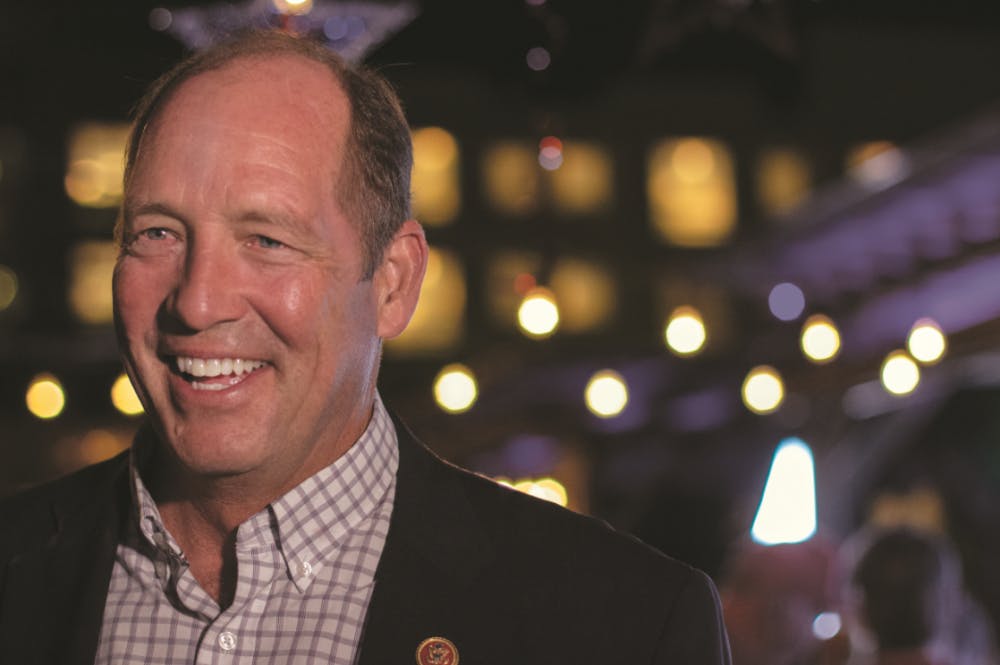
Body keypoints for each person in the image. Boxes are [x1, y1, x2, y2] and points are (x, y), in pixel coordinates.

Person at [0, 30, 731, 664]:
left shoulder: (622, 626)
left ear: (393, 281)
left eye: (266, 240)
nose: (197, 301)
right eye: (157, 232)